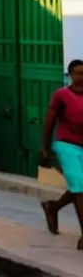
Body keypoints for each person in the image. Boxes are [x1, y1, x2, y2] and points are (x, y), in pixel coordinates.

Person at [40, 59, 83, 249]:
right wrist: (45, 148)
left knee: (78, 186)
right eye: (78, 73)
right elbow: (50, 121)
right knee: (80, 187)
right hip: (67, 145)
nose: (81, 76)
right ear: (70, 75)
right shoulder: (61, 95)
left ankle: (53, 207)